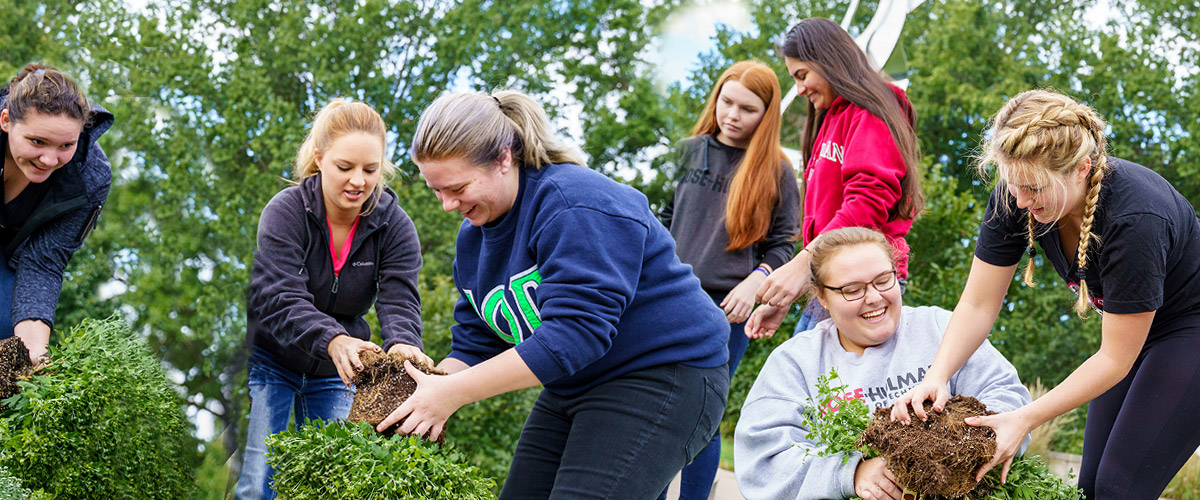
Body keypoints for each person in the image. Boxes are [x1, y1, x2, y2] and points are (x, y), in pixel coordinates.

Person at [379, 90, 730, 499]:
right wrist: (428, 389)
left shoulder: (572, 203)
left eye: (456, 187)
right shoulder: (474, 238)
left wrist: (452, 394)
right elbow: (477, 341)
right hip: (575, 383)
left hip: (665, 374)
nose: (446, 205)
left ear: (503, 159)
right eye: (435, 190)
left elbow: (576, 334)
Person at [890, 89, 1200, 499]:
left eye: (1033, 189)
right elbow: (978, 304)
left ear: (1081, 169)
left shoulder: (1137, 219)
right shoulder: (1015, 195)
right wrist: (937, 374)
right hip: (1135, 333)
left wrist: (1024, 418)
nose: (1020, 200)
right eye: (1013, 185)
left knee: (1118, 488)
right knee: (1088, 489)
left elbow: (1114, 357)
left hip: (1189, 330)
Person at [735, 227, 1031, 500]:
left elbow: (1009, 397)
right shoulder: (795, 362)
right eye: (852, 290)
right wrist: (850, 474)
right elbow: (762, 461)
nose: (874, 298)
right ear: (821, 296)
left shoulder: (942, 329)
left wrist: (957, 450)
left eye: (883, 280)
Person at [236, 98, 427, 500]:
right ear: (320, 159)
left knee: (336, 483)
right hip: (276, 358)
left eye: (370, 170)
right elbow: (279, 295)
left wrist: (404, 344)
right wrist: (332, 338)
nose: (358, 180)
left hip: (338, 373)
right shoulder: (286, 213)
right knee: (259, 482)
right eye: (345, 167)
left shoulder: (394, 227)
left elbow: (399, 297)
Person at [659, 59, 799, 500]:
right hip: (667, 299)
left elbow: (783, 245)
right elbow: (660, 222)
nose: (733, 115)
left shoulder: (777, 171)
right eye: (727, 102)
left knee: (700, 412)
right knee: (653, 407)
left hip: (727, 310)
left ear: (767, 114)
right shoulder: (686, 152)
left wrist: (756, 282)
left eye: (747, 108)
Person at [747, 17, 924, 339]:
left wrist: (800, 267)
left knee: (836, 389)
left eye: (802, 75)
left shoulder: (872, 108)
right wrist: (800, 287)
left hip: (865, 284)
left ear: (829, 60)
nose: (799, 89)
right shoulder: (829, 122)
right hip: (835, 283)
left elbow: (868, 201)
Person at [0, 63, 111, 363]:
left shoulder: (91, 177)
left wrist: (32, 354)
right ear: (6, 120)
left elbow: (43, 263)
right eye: (37, 142)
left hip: (12, 255)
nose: (49, 159)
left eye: (65, 145)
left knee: (9, 336)